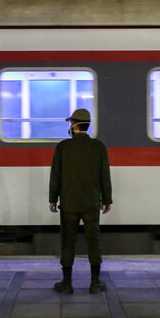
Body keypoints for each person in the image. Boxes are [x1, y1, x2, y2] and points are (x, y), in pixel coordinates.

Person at [49, 108, 112, 294]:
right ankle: (95, 283)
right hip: (91, 203)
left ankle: (67, 284)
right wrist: (107, 200)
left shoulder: (62, 147)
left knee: (67, 242)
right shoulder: (99, 147)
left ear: (75, 125)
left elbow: (56, 176)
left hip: (69, 205)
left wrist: (53, 199)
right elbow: (104, 177)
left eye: (71, 123)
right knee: (94, 241)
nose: (70, 126)